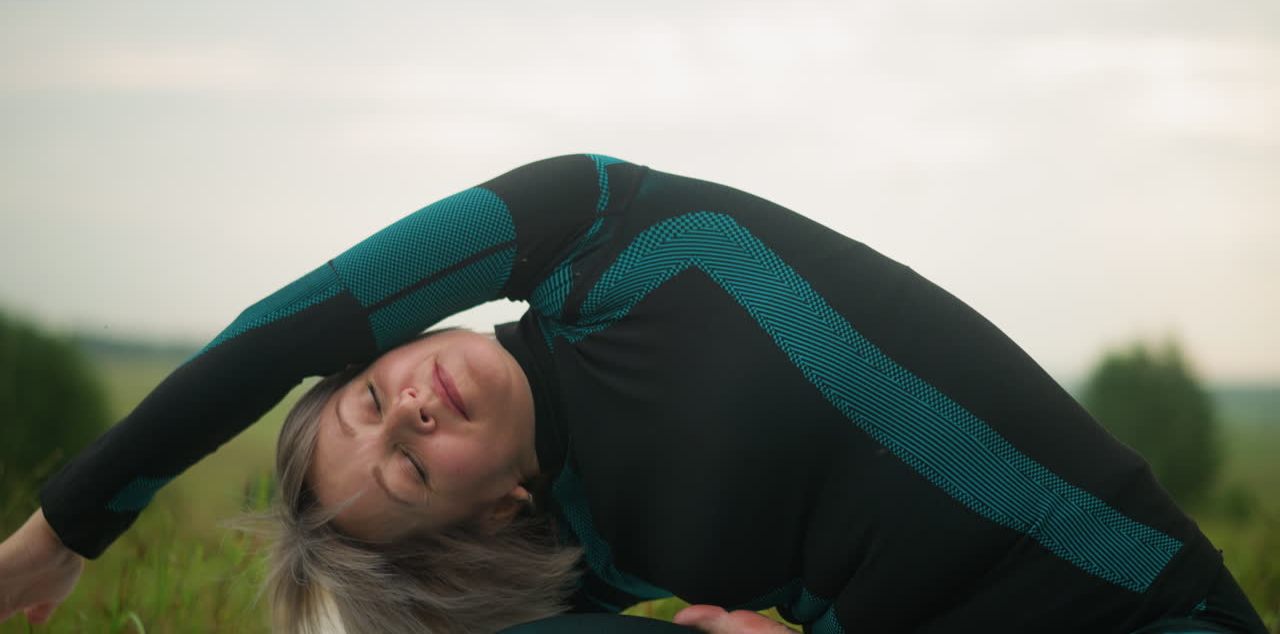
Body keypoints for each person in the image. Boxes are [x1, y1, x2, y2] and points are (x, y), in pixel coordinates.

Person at [0, 155, 1267, 634]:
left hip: (1142, 614)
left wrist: (65, 531)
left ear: (382, 346)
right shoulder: (592, 564)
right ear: (492, 510)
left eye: (367, 398)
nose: (407, 415)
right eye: (405, 471)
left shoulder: (596, 231)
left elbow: (286, 328)